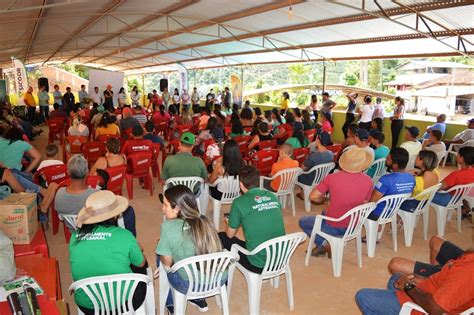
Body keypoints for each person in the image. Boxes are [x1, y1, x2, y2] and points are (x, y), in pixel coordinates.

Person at [69, 191, 144, 314]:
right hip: (125, 302)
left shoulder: (75, 237)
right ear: (114, 216)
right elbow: (140, 264)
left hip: (88, 306)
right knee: (141, 264)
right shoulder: (124, 235)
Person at [157, 185, 222, 313]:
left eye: (165, 205)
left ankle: (171, 304)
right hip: (217, 278)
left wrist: (162, 250)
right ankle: (199, 299)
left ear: (177, 208)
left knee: (161, 253)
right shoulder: (206, 220)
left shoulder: (167, 227)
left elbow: (168, 263)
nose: (162, 209)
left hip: (189, 284)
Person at [299, 147, 373, 257]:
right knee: (324, 213)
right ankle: (323, 245)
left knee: (304, 221)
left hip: (334, 225)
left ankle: (325, 244)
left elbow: (313, 197)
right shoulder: (369, 180)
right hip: (354, 225)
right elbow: (366, 202)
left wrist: (326, 199)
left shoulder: (332, 178)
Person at [355, 249, 474, 315]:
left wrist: (408, 287)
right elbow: (452, 285)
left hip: (425, 307)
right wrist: (423, 281)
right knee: (396, 278)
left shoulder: (469, 272)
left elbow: (435, 309)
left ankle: (401, 307)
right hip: (432, 293)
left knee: (363, 296)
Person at [219, 165, 285, 273]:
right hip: (280, 259)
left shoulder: (239, 202)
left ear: (240, 184)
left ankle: (222, 276)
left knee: (221, 237)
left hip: (258, 263)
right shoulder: (273, 196)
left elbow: (230, 235)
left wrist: (228, 222)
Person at [56, 154, 136, 233]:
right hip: (96, 231)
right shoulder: (96, 196)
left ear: (68, 172)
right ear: (87, 172)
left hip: (75, 232)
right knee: (129, 211)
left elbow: (61, 219)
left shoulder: (59, 194)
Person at [367, 147, 415, 221]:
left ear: (395, 165)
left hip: (377, 213)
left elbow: (372, 201)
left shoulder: (385, 179)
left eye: (388, 159)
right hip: (394, 211)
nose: (386, 159)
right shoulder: (411, 178)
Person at [388, 236, 465, 278]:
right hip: (465, 261)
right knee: (435, 240)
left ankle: (433, 279)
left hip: (458, 274)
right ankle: (434, 271)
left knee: (395, 264)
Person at [431, 146, 474, 216]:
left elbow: (438, 187)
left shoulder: (456, 175)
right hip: (460, 198)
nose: (456, 156)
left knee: (423, 193)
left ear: (462, 158)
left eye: (458, 154)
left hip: (448, 199)